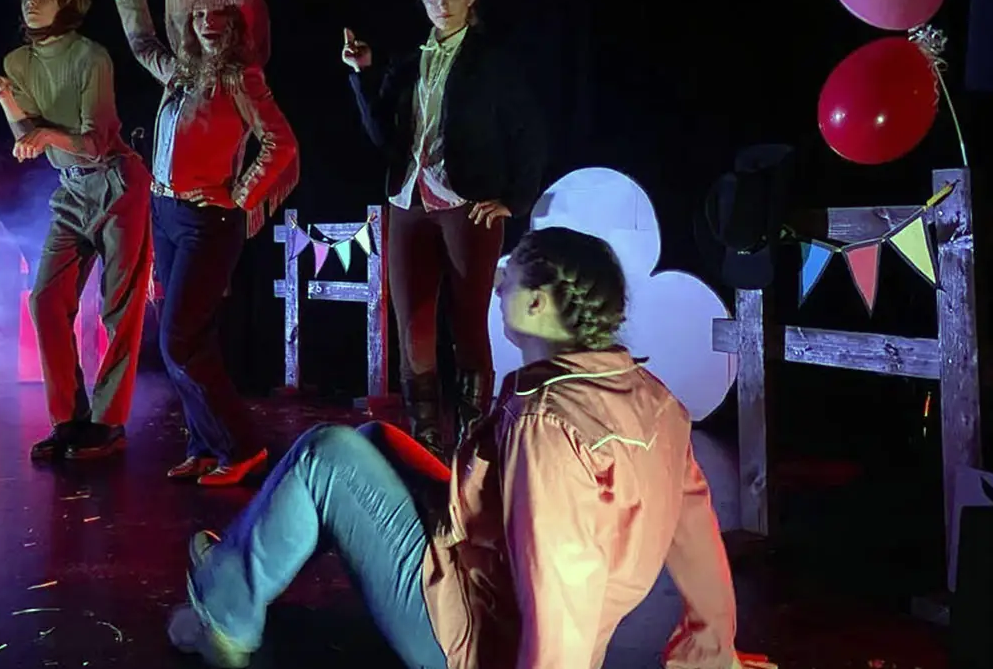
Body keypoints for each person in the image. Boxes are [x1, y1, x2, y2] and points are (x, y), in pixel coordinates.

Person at [166, 227, 774, 669]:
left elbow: (562, 580)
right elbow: (694, 527)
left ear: (538, 305)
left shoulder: (547, 428)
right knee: (375, 441)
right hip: (492, 580)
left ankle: (225, 613)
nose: (497, 286)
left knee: (326, 453)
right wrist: (711, 648)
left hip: (476, 641)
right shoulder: (654, 400)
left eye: (507, 279)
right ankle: (247, 564)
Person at [92, 0, 298, 486]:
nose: (207, 20)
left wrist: (241, 192)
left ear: (236, 23)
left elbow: (282, 143)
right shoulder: (181, 73)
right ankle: (204, 445)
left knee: (180, 340)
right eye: (199, 13)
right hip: (167, 213)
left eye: (218, 13)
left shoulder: (242, 77)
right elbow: (142, 46)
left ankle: (242, 447)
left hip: (210, 219)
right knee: (190, 339)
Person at [343, 0, 547, 460]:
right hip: (408, 199)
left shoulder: (492, 60)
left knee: (468, 319)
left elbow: (529, 134)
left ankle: (475, 437)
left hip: (467, 203)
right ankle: (427, 438)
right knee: (412, 319)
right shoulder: (409, 62)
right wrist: (364, 76)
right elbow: (383, 138)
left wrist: (514, 200)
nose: (443, 4)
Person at [0, 0, 152, 462]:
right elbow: (30, 137)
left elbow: (97, 142)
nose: (33, 2)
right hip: (72, 190)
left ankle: (108, 422)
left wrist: (43, 133)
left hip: (118, 185)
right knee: (46, 300)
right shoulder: (17, 62)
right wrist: (13, 109)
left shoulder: (91, 56)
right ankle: (67, 419)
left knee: (117, 308)